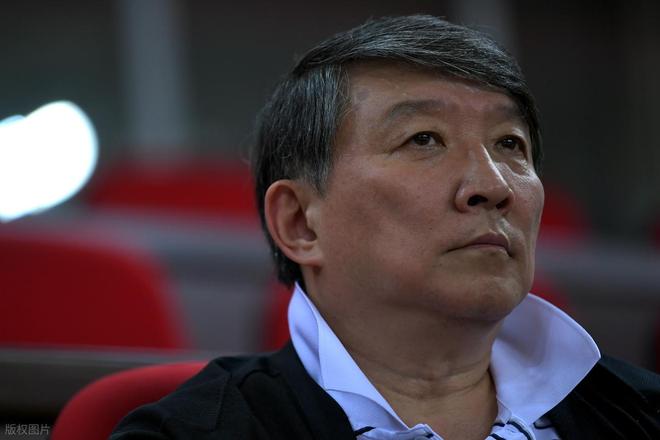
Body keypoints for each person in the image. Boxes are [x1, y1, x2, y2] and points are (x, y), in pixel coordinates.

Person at [110, 15, 660, 440]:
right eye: (423, 139)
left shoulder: (640, 413)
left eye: (509, 144)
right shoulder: (189, 433)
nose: (493, 186)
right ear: (300, 224)